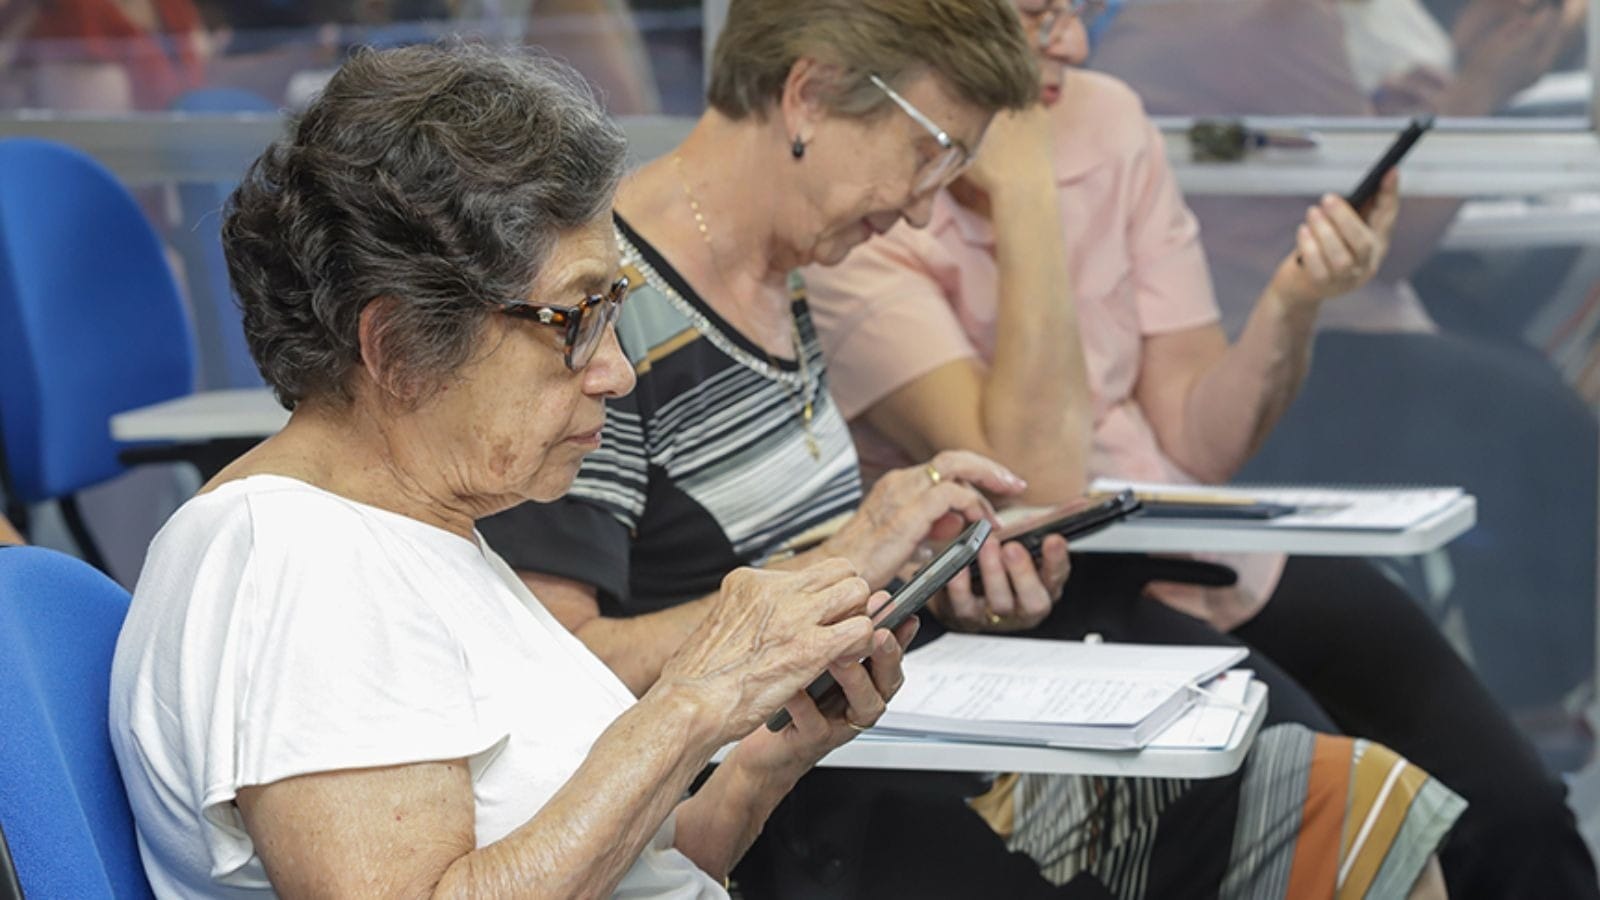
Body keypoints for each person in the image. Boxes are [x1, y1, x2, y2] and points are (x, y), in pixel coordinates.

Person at [479, 1, 1463, 896]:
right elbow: (560, 664)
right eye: (932, 151)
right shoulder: (610, 311)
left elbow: (797, 573)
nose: (919, 206)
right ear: (809, 95)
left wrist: (924, 575)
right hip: (782, 811)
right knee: (1341, 821)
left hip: (869, 745)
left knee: (1361, 809)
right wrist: (853, 562)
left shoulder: (781, 272)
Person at [802, 2, 1599, 897]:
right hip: (1047, 582)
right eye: (1036, 18)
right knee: (1346, 827)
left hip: (1198, 539)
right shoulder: (870, 204)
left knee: (1516, 802)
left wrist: (1296, 301)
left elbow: (1196, 438)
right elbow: (1043, 481)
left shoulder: (1106, 117)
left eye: (1072, 11)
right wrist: (1029, 193)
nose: (1070, 42)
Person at [106, 43, 919, 898]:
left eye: (615, 315)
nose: (616, 370)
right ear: (398, 346)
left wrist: (765, 760)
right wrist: (692, 702)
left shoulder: (421, 533)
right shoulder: (295, 558)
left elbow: (627, 874)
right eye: (575, 320)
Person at [1089, 0, 1598, 732]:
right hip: (1289, 337)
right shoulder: (1266, 23)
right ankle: (1533, 703)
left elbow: (1348, 167)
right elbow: (1391, 236)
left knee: (1528, 389)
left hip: (1297, 324)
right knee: (1533, 419)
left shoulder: (1207, 26)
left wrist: (1457, 85)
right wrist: (1481, 86)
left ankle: (1529, 696)